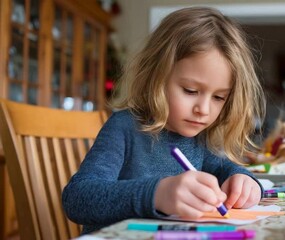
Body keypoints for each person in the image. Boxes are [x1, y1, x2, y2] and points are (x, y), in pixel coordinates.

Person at [62, 7, 266, 234]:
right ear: (156, 76)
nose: (203, 109)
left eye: (219, 97)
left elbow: (225, 168)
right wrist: (157, 194)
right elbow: (78, 198)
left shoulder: (197, 139)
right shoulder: (125, 127)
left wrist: (245, 181)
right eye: (190, 90)